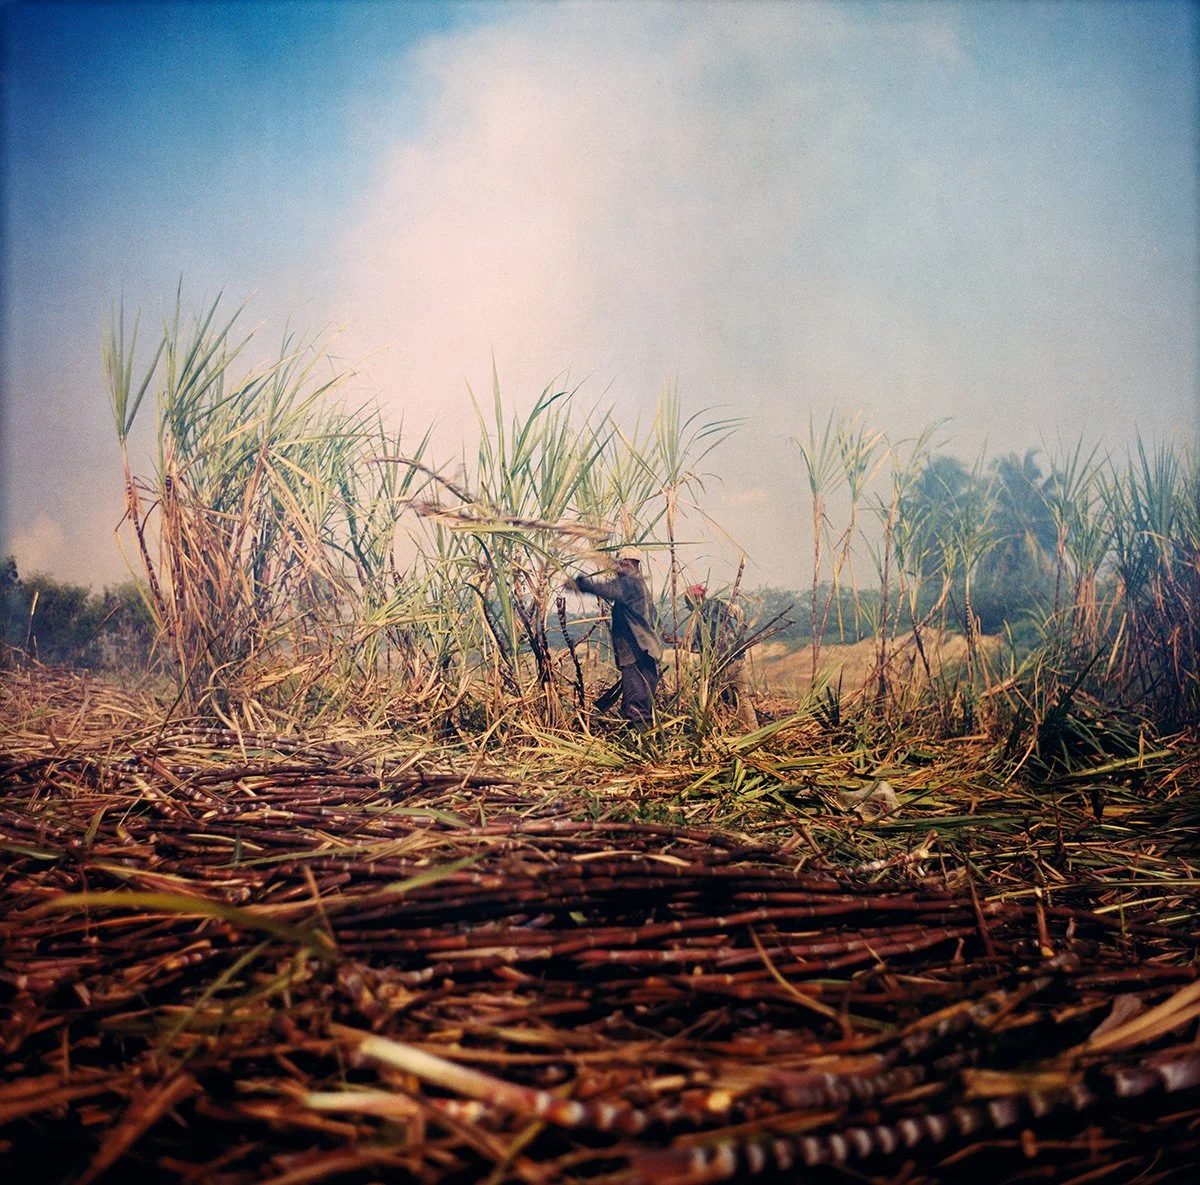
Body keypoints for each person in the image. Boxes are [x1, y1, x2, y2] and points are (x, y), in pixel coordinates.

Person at [567, 546, 662, 726]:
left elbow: (607, 590)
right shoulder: (640, 585)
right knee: (636, 702)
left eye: (622, 565)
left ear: (628, 564)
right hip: (646, 652)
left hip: (637, 653)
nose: (620, 569)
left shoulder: (630, 583)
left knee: (637, 707)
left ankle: (642, 748)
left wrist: (580, 584)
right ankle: (640, 744)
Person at [683, 584, 759, 729]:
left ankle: (751, 731)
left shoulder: (716, 605)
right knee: (721, 700)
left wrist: (741, 632)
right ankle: (728, 730)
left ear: (695, 599)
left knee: (741, 697)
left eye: (688, 603)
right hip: (718, 666)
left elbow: (739, 611)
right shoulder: (699, 620)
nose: (688, 607)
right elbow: (699, 646)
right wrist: (680, 642)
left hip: (734, 661)